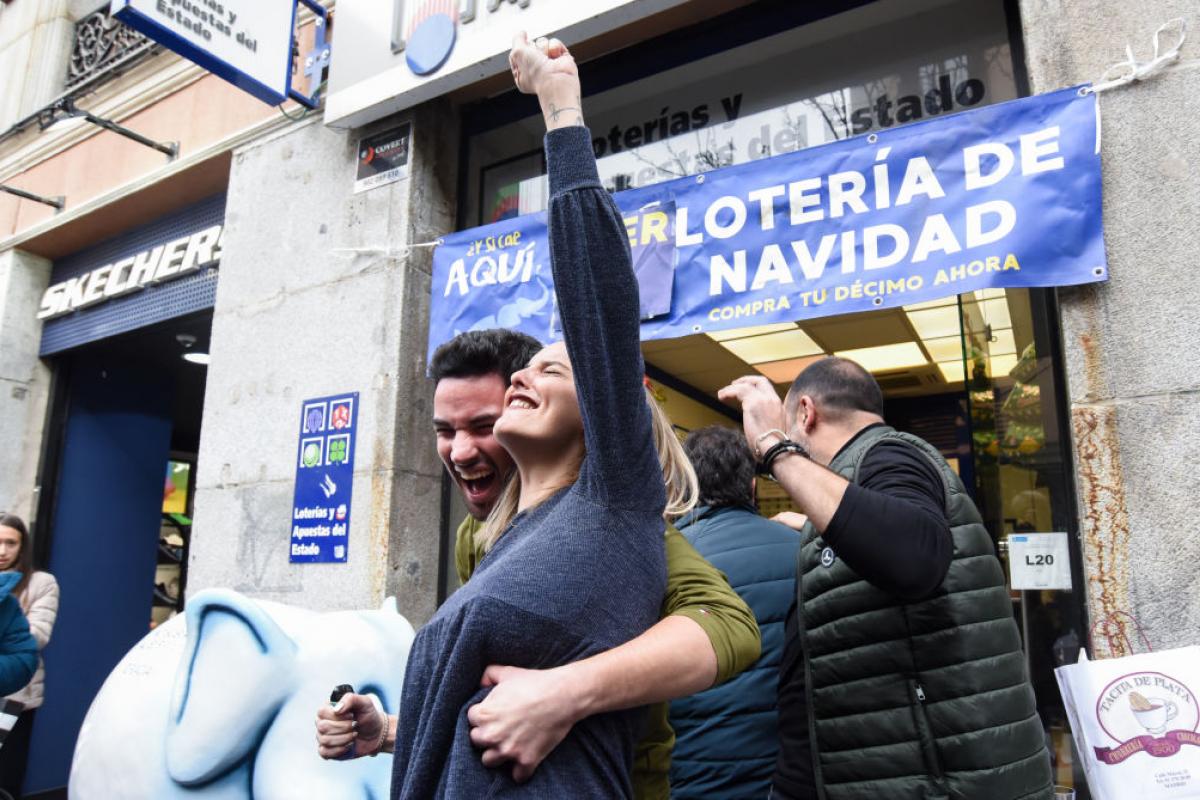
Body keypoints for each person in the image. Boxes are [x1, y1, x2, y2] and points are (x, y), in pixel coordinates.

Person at [320, 33, 704, 799]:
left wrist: (560, 111)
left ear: (605, 408)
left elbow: (597, 298)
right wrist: (393, 731)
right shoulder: (505, 538)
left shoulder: (614, 502)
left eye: (552, 369)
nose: (527, 375)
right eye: (524, 371)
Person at [718, 357, 1054, 800]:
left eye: (789, 424)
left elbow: (912, 556)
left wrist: (774, 447)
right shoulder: (859, 480)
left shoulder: (891, 454)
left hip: (934, 780)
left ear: (805, 412)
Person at [668, 426, 799, 799]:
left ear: (682, 487)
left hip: (693, 775)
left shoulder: (668, 563)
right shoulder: (801, 551)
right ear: (753, 487)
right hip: (788, 775)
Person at [0, 514, 57, 798]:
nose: (2, 551)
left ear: (22, 547)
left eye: (11, 543)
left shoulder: (40, 583)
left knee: (5, 773)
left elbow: (37, 635)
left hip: (15, 696)